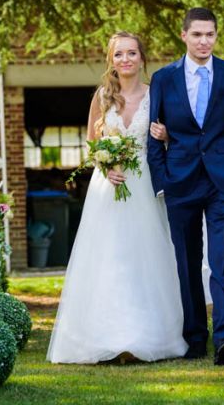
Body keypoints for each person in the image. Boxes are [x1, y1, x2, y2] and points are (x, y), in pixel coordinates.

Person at [47, 32, 187, 364]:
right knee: (107, 257)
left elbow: (174, 138)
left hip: (143, 185)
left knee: (145, 257)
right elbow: (92, 143)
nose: (125, 60)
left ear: (142, 58)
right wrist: (105, 165)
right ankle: (103, 337)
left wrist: (166, 135)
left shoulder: (157, 95)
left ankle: (146, 335)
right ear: (111, 60)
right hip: (107, 188)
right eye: (119, 54)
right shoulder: (102, 97)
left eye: (132, 53)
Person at [147, 8, 224, 366]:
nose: (204, 41)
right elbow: (153, 134)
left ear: (216, 36)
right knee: (187, 263)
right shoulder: (163, 78)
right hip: (180, 182)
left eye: (210, 35)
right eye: (197, 35)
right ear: (184, 36)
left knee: (221, 261)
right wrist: (162, 180)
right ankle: (195, 336)